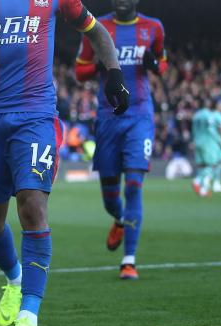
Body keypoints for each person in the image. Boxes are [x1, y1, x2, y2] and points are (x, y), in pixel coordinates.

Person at [0, 0, 129, 326]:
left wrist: (114, 73)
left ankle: (29, 315)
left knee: (32, 206)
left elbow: (96, 30)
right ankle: (15, 278)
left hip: (36, 115)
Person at [75, 0, 167, 280]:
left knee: (135, 186)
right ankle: (119, 220)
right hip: (108, 117)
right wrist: (99, 67)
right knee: (110, 197)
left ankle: (129, 261)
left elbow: (162, 63)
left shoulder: (153, 27)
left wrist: (155, 64)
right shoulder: (97, 27)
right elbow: (80, 72)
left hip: (140, 115)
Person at [192, 99, 221, 196]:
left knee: (202, 165)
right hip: (208, 142)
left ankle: (199, 181)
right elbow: (212, 129)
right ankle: (201, 185)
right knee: (211, 165)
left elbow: (193, 129)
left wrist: (193, 140)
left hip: (197, 141)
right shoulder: (210, 115)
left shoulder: (196, 115)